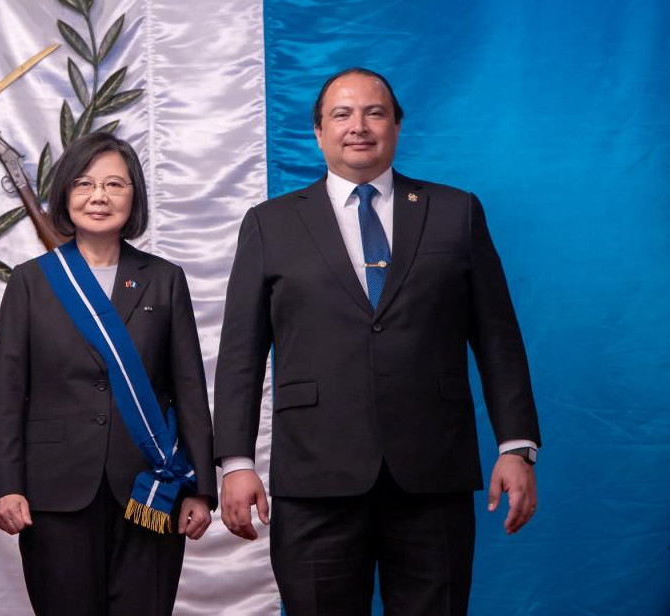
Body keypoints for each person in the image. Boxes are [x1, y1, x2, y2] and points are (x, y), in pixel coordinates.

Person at [212, 68, 541, 615]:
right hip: (314, 479)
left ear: (396, 126)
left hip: (432, 475)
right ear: (318, 133)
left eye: (374, 112)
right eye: (341, 114)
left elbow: (498, 339)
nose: (358, 126)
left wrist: (516, 446)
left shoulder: (455, 212)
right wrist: (236, 462)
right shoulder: (270, 224)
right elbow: (241, 356)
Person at [0, 132, 216, 615]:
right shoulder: (31, 281)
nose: (99, 196)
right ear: (65, 194)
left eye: (115, 184)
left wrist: (202, 490)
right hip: (55, 492)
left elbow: (189, 389)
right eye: (84, 183)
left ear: (134, 197)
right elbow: (8, 396)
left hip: (151, 488)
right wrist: (6, 485)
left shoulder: (164, 278)